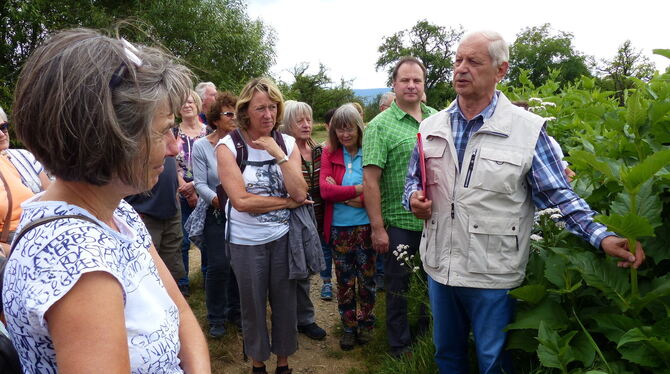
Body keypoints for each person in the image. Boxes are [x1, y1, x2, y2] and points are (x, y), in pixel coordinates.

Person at [403, 30, 645, 374]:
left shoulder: (527, 130)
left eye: (473, 61)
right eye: (458, 60)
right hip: (439, 267)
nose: (461, 68)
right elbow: (414, 180)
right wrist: (413, 198)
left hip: (493, 273)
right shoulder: (431, 126)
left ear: (501, 70)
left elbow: (558, 196)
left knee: (494, 362)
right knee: (448, 356)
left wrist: (602, 236)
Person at [2, 28, 210, 372]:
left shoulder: (117, 212)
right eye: (162, 132)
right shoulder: (75, 260)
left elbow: (181, 312)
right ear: (105, 138)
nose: (174, 148)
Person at [217, 77, 309, 374]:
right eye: (260, 108)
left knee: (285, 303)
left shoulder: (288, 143)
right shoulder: (227, 146)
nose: (268, 115)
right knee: (253, 305)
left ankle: (283, 363)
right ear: (245, 111)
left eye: (272, 107)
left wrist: (278, 154)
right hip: (245, 241)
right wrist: (284, 204)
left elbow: (300, 193)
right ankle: (258, 364)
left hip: (283, 238)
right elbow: (241, 201)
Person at [362, 56, 437, 357]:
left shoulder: (436, 118)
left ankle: (425, 338)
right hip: (399, 223)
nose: (411, 85)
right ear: (394, 84)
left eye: (417, 80)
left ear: (423, 85)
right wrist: (378, 228)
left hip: (435, 222)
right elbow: (370, 181)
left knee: (433, 286)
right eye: (405, 80)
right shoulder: (380, 126)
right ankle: (399, 347)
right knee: (399, 288)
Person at [320, 103, 375, 351]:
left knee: (367, 279)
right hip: (339, 228)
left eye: (349, 128)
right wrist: (358, 190)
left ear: (358, 128)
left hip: (366, 227)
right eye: (340, 129)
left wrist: (343, 194)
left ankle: (366, 323)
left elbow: (377, 192)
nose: (345, 134)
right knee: (344, 281)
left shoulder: (370, 152)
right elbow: (325, 190)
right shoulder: (329, 154)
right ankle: (349, 327)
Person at [191, 91, 241, 337]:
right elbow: (199, 183)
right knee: (219, 265)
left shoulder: (242, 143)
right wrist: (219, 201)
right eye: (229, 113)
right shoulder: (202, 146)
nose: (235, 118)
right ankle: (216, 317)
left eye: (237, 113)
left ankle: (237, 311)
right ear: (215, 118)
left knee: (238, 264)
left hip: (242, 213)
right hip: (216, 212)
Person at [280, 100, 328, 338]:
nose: (306, 124)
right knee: (294, 270)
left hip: (316, 218)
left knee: (306, 270)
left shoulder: (319, 151)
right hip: (289, 218)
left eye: (308, 119)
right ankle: (301, 319)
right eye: (300, 120)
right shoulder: (282, 151)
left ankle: (302, 318)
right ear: (288, 123)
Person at [125, 156, 188, 290]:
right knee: (147, 269)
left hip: (170, 209)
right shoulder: (136, 136)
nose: (174, 150)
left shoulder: (167, 144)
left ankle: (175, 304)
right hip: (144, 212)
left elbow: (171, 165)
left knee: (172, 267)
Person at [0, 106, 51, 254]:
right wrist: (18, 253)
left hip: (42, 232)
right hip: (11, 247)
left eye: (3, 127)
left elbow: (52, 199)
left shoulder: (24, 157)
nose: (1, 134)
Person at [176, 90, 208, 295]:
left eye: (190, 102)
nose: (187, 105)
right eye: (182, 102)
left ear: (197, 105)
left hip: (205, 192)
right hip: (179, 191)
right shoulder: (172, 132)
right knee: (182, 240)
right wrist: (186, 190)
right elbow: (169, 161)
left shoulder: (209, 131)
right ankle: (182, 282)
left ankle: (209, 277)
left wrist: (196, 186)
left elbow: (213, 163)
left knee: (207, 238)